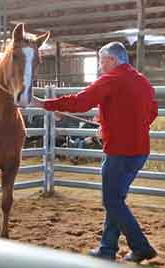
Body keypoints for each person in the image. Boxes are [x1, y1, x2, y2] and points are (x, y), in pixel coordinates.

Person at [30, 42, 158, 263]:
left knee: (112, 201)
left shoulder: (112, 79)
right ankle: (107, 249)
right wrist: (110, 125)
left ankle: (141, 246)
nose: (100, 66)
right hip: (139, 151)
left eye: (101, 61)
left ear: (113, 60)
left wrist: (44, 104)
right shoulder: (142, 81)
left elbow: (81, 101)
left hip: (120, 151)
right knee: (115, 199)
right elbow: (152, 112)